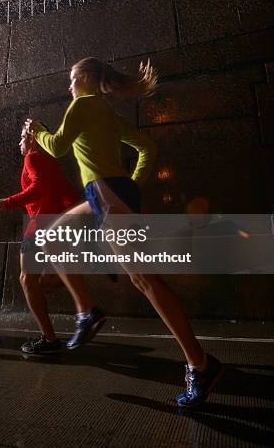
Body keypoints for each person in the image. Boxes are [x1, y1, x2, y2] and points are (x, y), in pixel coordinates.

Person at [25, 57, 224, 408]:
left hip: (107, 194)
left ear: (85, 78)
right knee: (51, 239)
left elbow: (56, 147)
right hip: (103, 194)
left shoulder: (81, 105)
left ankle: (200, 364)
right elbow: (147, 149)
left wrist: (37, 129)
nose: (68, 87)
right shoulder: (108, 114)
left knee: (145, 281)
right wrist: (131, 185)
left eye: (71, 80)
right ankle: (87, 311)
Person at [0, 126, 95, 354]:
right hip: (55, 223)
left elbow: (39, 187)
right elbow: (68, 191)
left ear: (33, 140)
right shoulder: (50, 161)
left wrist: (8, 202)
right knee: (43, 283)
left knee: (27, 280)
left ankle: (49, 339)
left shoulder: (33, 157)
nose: (19, 142)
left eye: (21, 137)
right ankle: (80, 294)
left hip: (39, 225)